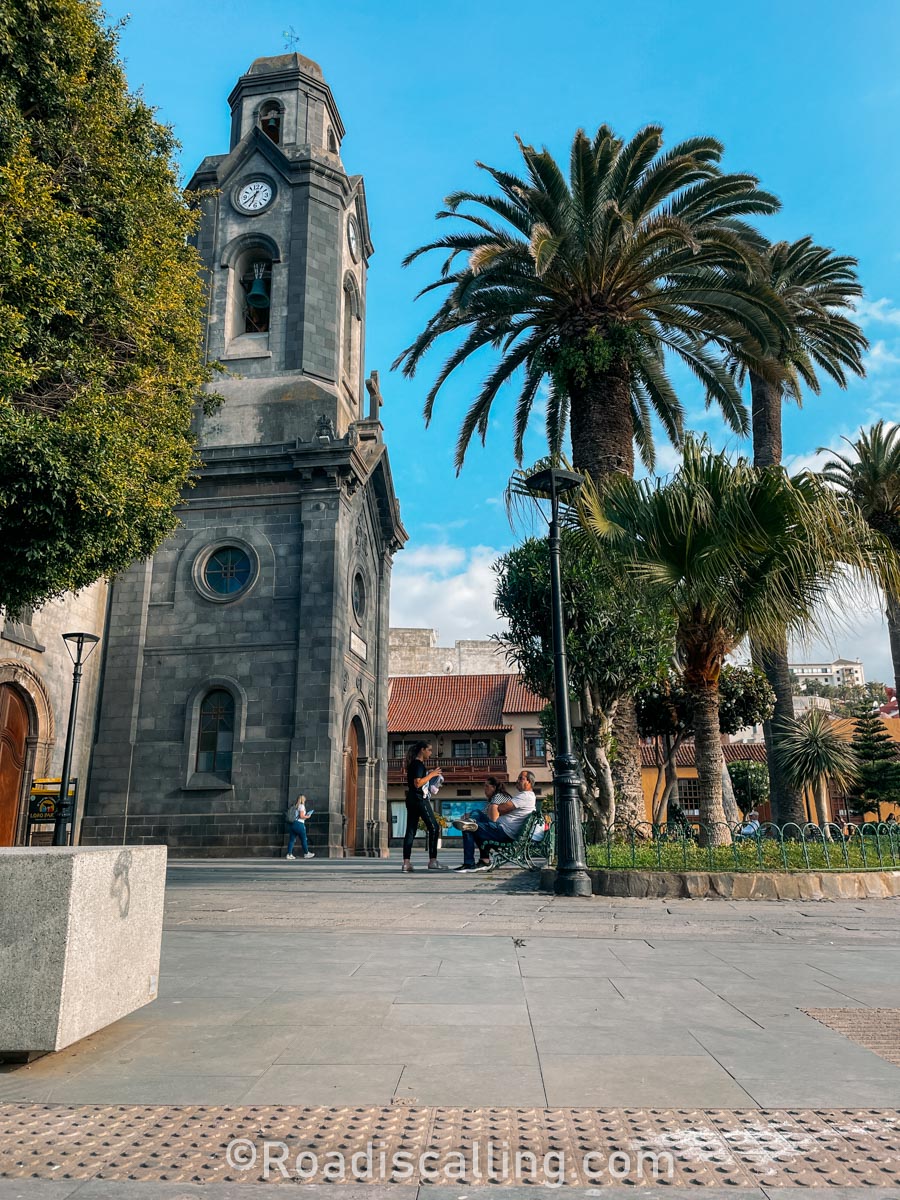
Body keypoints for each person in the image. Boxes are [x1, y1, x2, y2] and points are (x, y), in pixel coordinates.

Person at [453, 771, 537, 872]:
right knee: (476, 816)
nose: (517, 781)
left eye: (521, 778)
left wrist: (502, 808)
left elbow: (501, 809)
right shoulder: (525, 796)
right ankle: (483, 859)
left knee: (467, 828)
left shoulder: (525, 796)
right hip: (502, 829)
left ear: (529, 782)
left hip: (503, 831)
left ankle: (469, 864)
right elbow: (502, 808)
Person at [402, 741, 447, 873]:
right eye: (429, 750)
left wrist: (430, 776)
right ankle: (432, 860)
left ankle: (406, 863)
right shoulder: (418, 764)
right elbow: (418, 783)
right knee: (434, 826)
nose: (431, 753)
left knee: (410, 830)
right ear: (422, 750)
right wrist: (432, 775)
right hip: (419, 799)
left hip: (411, 800)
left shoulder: (414, 765)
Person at [285, 794, 315, 860]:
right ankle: (306, 853)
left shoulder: (296, 806)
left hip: (293, 824)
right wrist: (307, 816)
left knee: (292, 840)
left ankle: (289, 854)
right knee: (304, 839)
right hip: (300, 824)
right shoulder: (301, 806)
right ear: (303, 799)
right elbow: (301, 816)